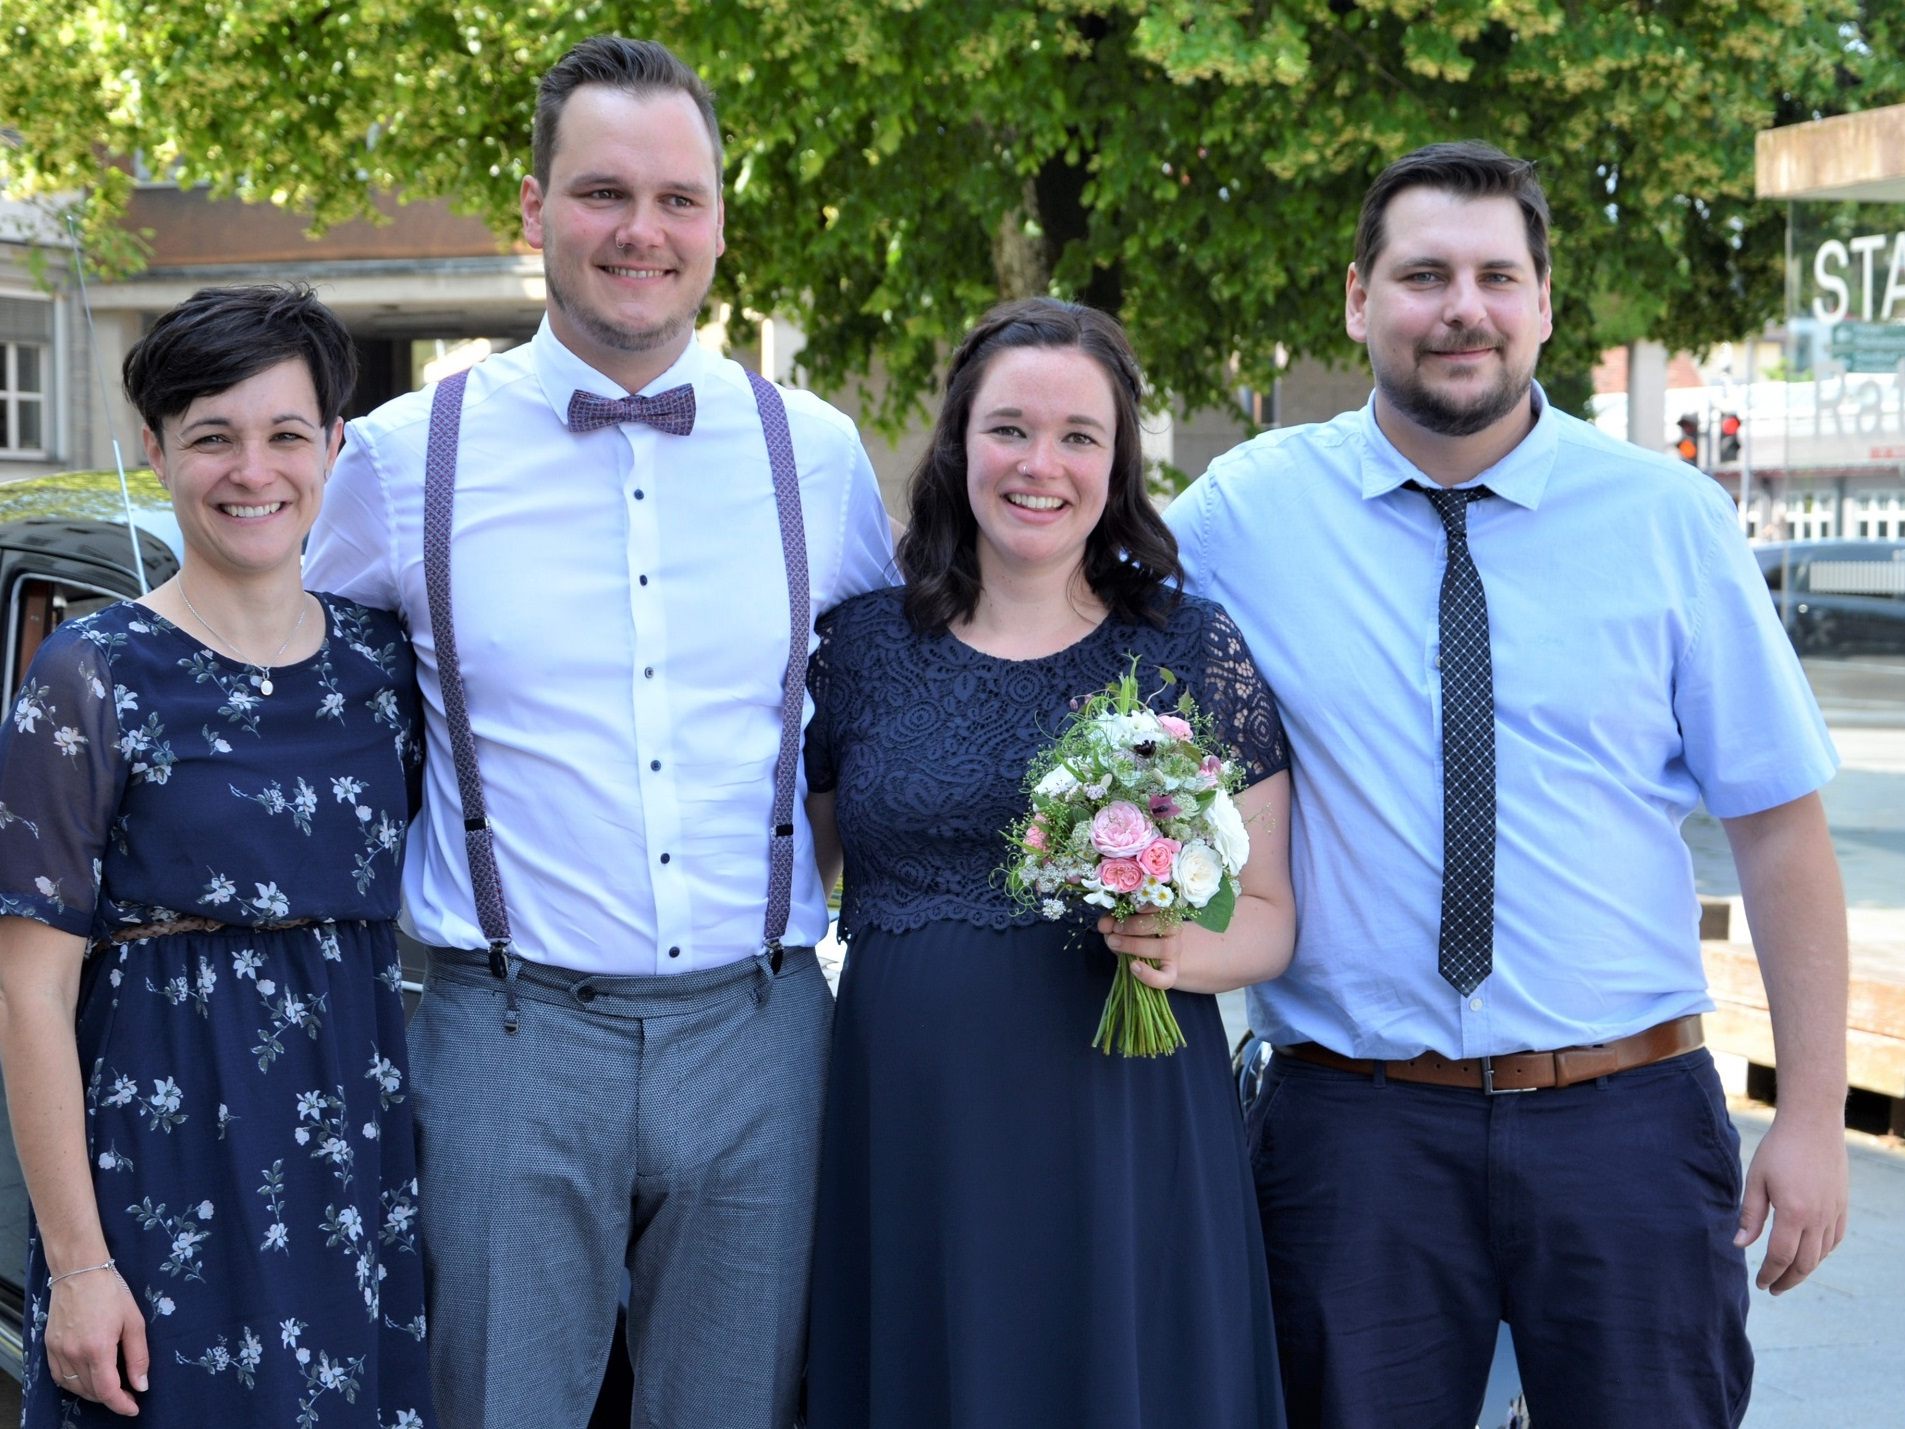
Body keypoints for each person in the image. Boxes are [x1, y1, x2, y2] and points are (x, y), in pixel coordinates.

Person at [1167, 141, 1850, 1428]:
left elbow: (1776, 826)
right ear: (1360, 300)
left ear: (1544, 302)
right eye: (1423, 275)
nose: (1461, 307)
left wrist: (1812, 1115)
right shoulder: (1240, 517)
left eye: (1495, 275)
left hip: (1629, 1121)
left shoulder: (1666, 519)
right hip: (1351, 1129)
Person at [301, 34, 893, 1429]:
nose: (643, 231)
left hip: (762, 1026)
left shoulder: (816, 453)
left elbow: (878, 709)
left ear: (720, 224)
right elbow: (294, 705)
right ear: (532, 210)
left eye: (679, 199)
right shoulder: (400, 455)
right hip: (507, 1028)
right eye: (603, 193)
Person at [803, 297, 1294, 1429]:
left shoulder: (1185, 648)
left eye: (1080, 436)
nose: (1042, 464)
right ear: (958, 443)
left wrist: (1182, 944)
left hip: (1121, 1122)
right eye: (1009, 428)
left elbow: (1271, 911)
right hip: (912, 1123)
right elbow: (790, 882)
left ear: (1116, 463)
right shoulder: (865, 646)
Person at [0, 284, 432, 1425]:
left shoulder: (384, 669)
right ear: (156, 447)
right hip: (164, 1163)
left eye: (287, 433)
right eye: (212, 437)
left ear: (334, 444)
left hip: (352, 1157)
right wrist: (81, 1266)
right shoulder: (93, 675)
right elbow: (28, 987)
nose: (254, 470)